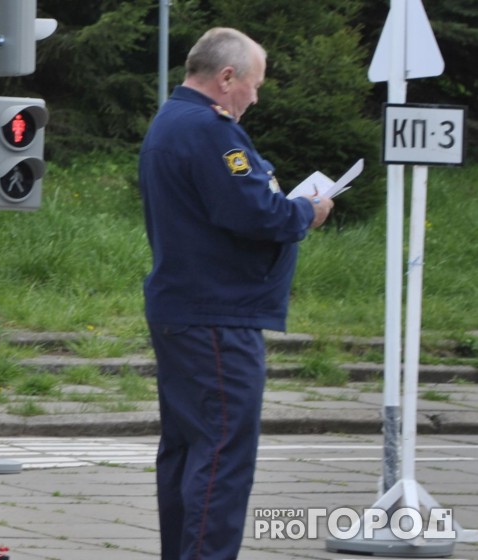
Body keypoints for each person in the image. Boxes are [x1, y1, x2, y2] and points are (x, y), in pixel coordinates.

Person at [137, 27, 333, 560]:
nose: (256, 96)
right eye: (255, 84)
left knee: (186, 447)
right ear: (227, 78)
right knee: (222, 454)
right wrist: (306, 211)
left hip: (187, 308)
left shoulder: (171, 121)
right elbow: (250, 210)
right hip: (217, 315)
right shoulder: (208, 129)